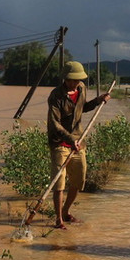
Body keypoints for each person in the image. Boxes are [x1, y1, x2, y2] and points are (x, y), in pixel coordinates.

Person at [46, 61, 110, 228]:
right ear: (66, 78)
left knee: (78, 180)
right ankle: (58, 220)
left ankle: (66, 212)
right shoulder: (56, 96)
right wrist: (69, 140)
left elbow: (83, 108)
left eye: (77, 80)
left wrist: (98, 100)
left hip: (78, 141)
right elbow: (55, 124)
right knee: (59, 183)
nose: (75, 83)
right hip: (60, 142)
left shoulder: (81, 88)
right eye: (72, 80)